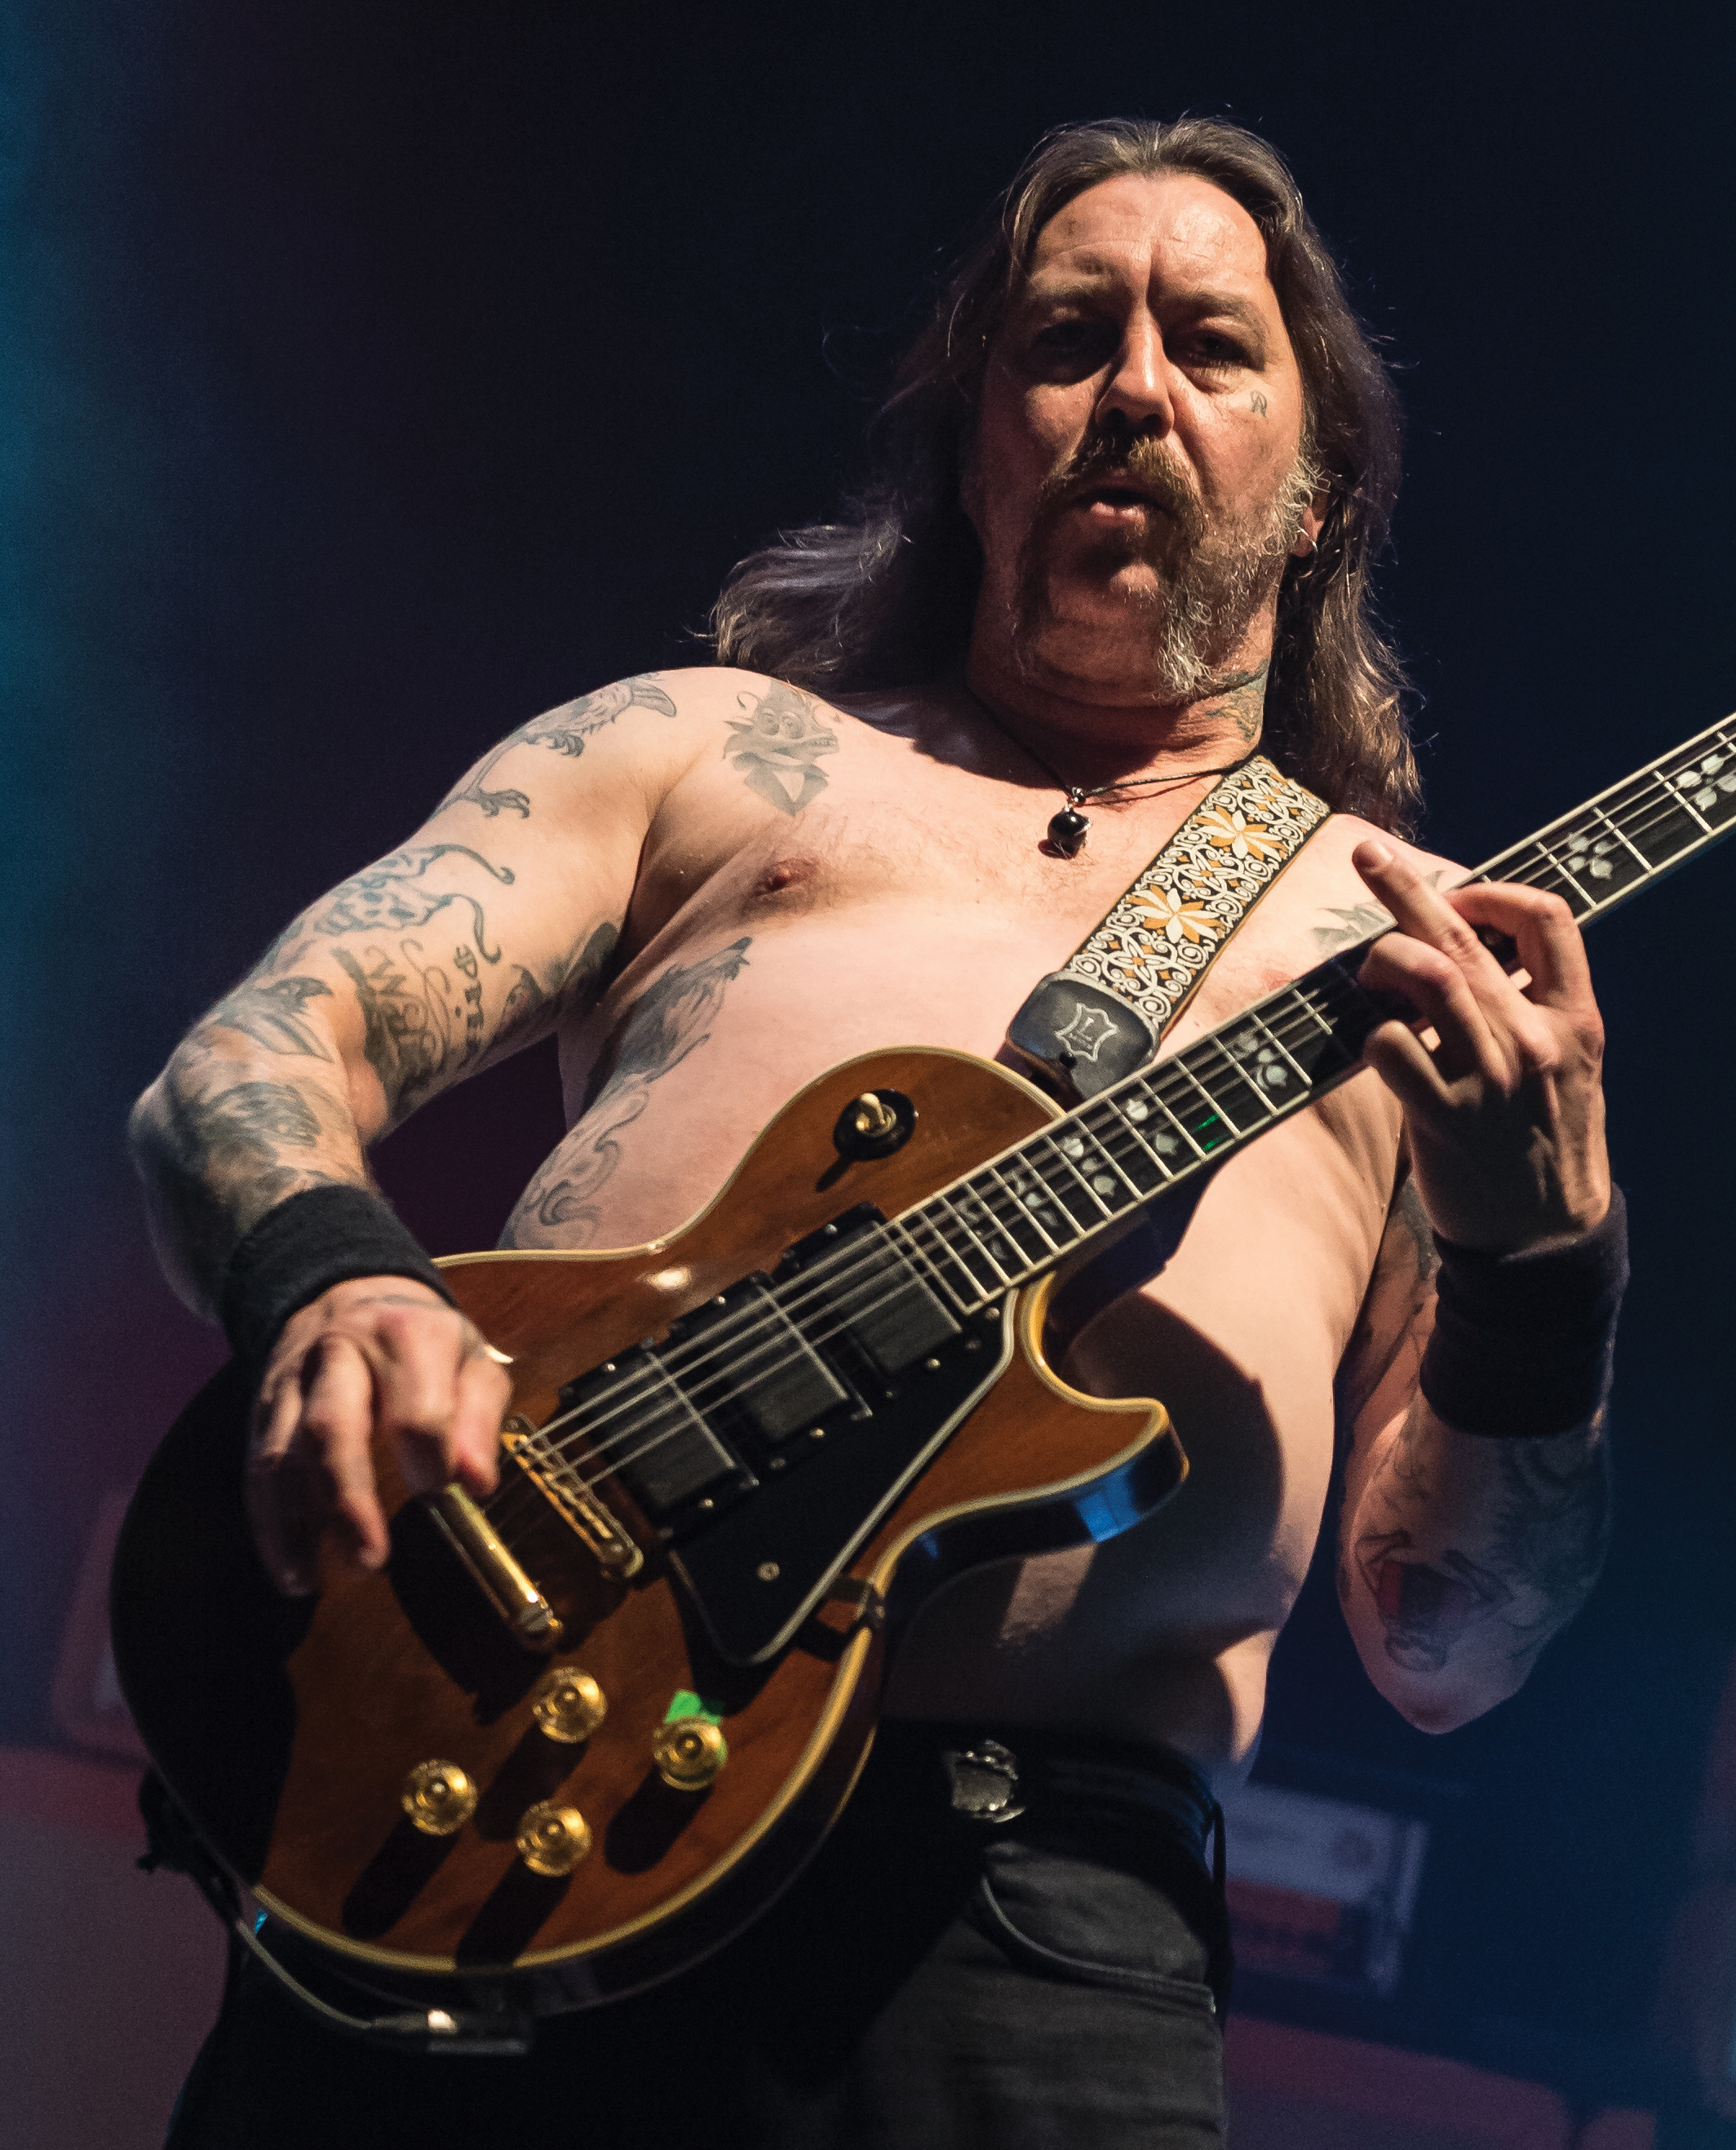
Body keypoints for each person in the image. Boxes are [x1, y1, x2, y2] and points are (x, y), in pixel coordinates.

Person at [129, 117, 1625, 2148]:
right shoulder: (709, 758)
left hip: (1021, 1938)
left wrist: (1543, 1282)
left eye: (1211, 344)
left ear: (1321, 481)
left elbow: (1443, 1638)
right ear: (974, 436)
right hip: (485, 1805)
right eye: (1066, 338)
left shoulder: (1412, 959)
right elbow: (249, 1060)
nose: (1135, 395)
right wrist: (337, 1278)